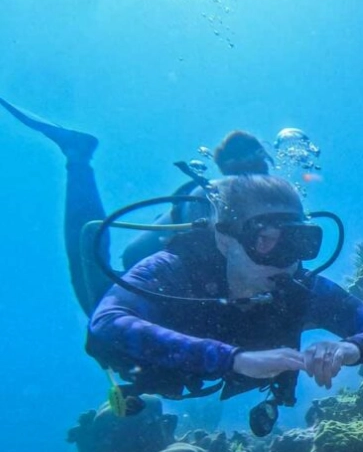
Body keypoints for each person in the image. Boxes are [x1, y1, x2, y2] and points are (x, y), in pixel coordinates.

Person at [85, 173, 363, 434]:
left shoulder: (300, 287)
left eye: (299, 242)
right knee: (89, 280)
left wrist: (350, 349)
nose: (287, 262)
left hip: (198, 357)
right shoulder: (176, 267)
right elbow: (106, 322)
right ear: (225, 239)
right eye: (265, 241)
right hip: (140, 344)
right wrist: (233, 359)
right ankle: (79, 163)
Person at [0, 96, 273, 314]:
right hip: (155, 282)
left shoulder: (259, 212)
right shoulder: (210, 201)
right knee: (97, 299)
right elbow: (147, 260)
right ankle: (78, 158)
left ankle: (78, 158)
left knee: (93, 277)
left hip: (180, 289)